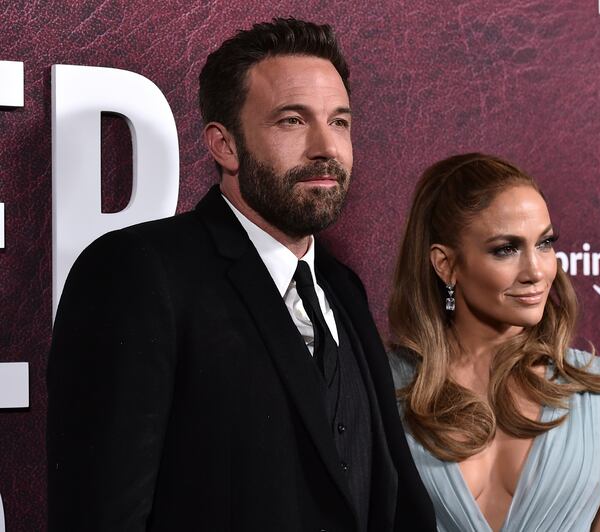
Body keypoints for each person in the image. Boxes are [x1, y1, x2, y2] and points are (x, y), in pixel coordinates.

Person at [48, 18, 435, 532]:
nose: (326, 147)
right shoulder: (137, 272)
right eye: (293, 121)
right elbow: (100, 514)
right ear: (224, 145)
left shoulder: (343, 288)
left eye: (340, 121)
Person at [388, 153, 600, 531]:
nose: (536, 271)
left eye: (545, 243)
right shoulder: (386, 387)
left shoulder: (598, 394)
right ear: (446, 264)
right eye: (506, 249)